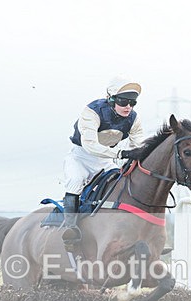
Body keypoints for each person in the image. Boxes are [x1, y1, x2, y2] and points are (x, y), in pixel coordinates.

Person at [61, 76, 145, 244]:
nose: (128, 107)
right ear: (111, 99)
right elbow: (91, 145)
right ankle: (69, 227)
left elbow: (139, 145)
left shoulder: (133, 119)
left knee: (123, 183)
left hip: (106, 160)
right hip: (81, 157)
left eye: (132, 102)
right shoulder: (92, 111)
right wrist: (121, 154)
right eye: (123, 102)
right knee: (76, 180)